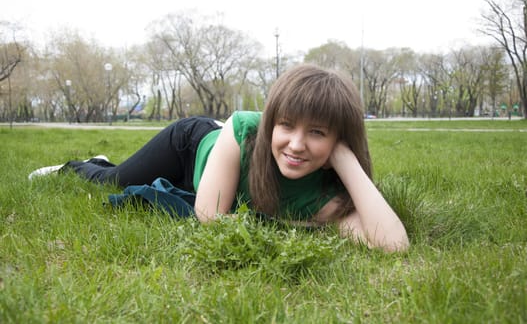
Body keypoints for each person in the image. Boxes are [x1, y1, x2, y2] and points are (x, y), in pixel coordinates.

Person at [29, 64, 409, 252]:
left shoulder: (329, 197)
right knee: (114, 180)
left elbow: (394, 244)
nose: (295, 144)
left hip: (212, 176)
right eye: (287, 125)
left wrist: (344, 160)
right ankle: (81, 165)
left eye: (317, 132)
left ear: (339, 141)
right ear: (270, 125)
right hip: (191, 147)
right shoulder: (244, 128)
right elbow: (210, 218)